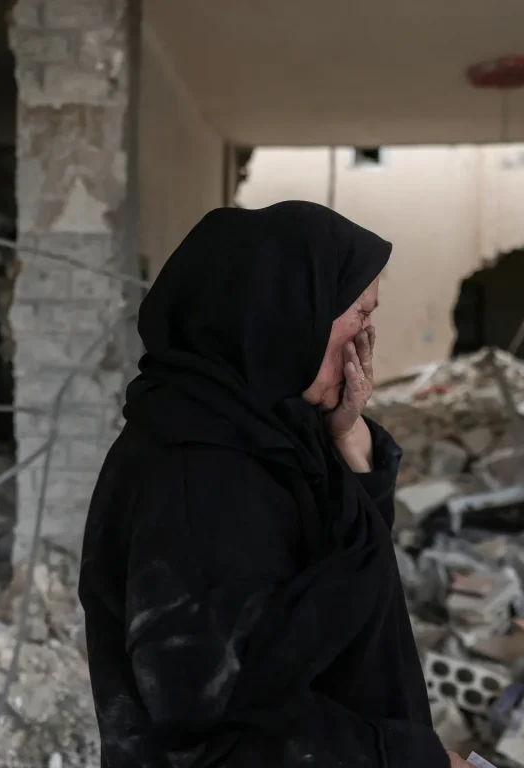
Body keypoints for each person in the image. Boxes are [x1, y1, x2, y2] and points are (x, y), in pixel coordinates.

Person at [78, 202, 472, 768]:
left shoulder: (275, 437)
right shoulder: (198, 475)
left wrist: (351, 439)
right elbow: (211, 728)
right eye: (358, 310)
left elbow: (344, 595)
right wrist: (402, 758)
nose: (368, 333)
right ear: (289, 312)